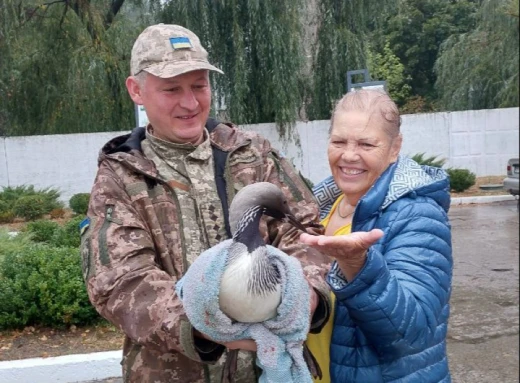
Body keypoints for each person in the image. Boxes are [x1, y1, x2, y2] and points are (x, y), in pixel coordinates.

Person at [80, 24, 332, 383]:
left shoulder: (253, 155)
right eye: (171, 89)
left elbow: (304, 231)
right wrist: (203, 325)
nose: (190, 103)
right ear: (136, 90)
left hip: (272, 370)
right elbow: (120, 282)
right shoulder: (120, 178)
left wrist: (306, 294)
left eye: (199, 85)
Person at [300, 89, 453, 382]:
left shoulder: (418, 215)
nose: (348, 155)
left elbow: (412, 333)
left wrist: (357, 266)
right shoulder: (318, 209)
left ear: (395, 148)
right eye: (338, 141)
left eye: (366, 144)